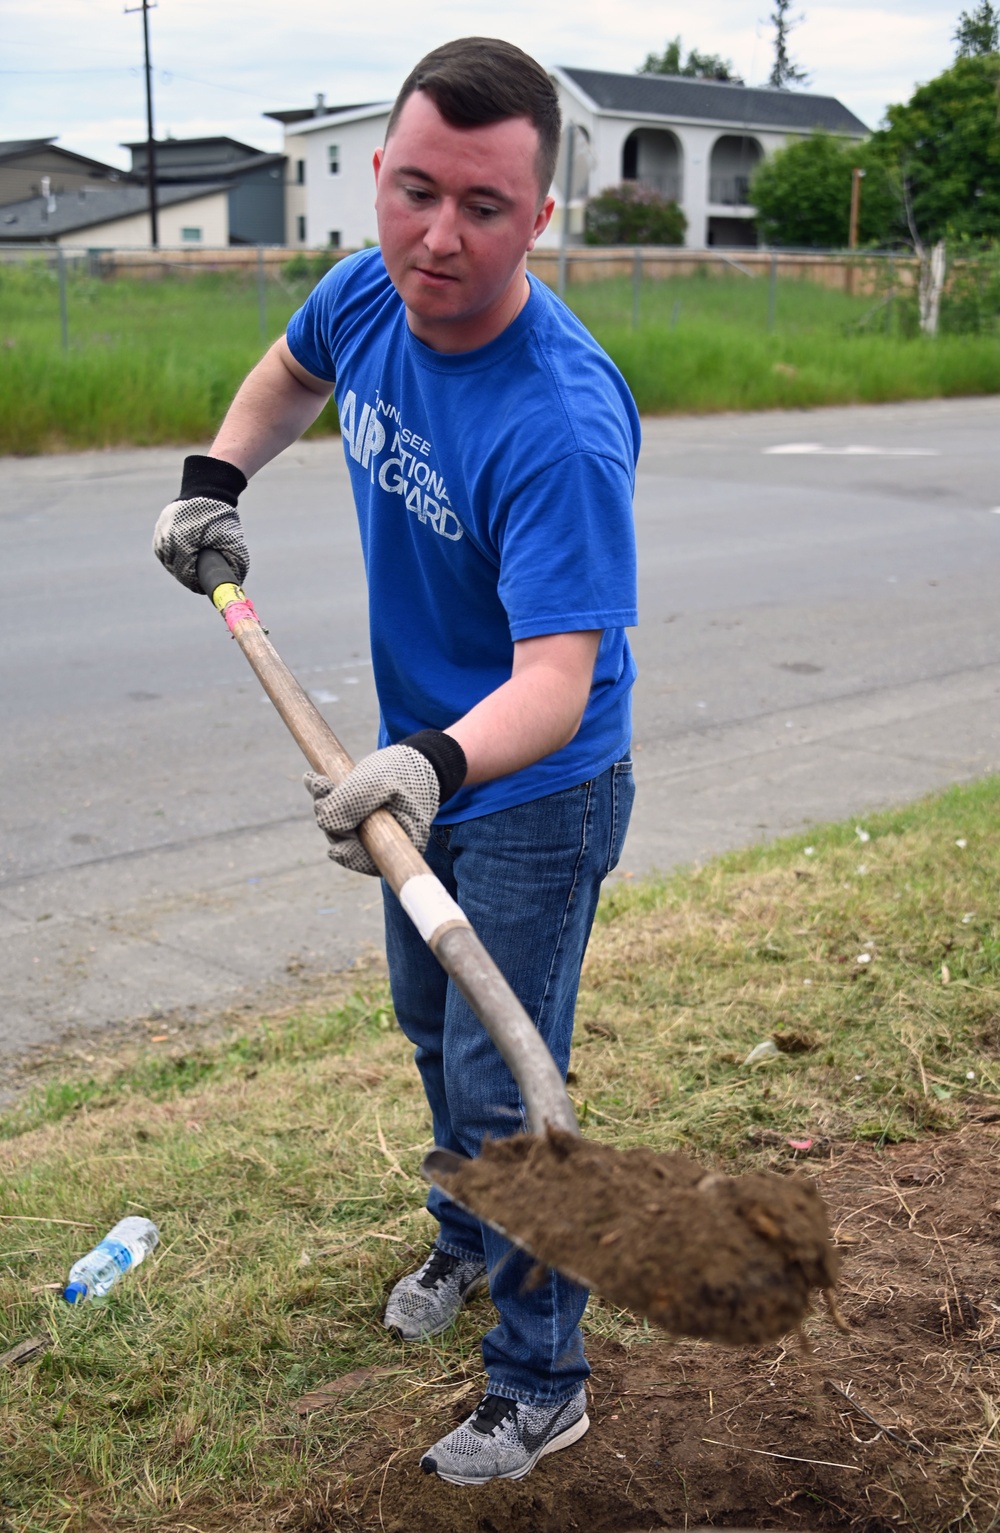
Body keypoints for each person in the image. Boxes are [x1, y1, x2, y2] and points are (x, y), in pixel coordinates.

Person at [154, 35, 639, 1486]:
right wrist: (213, 484)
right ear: (376, 175)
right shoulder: (367, 290)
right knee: (430, 1029)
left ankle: (544, 1378)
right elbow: (286, 375)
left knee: (506, 1083)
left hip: (531, 784)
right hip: (418, 764)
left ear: (538, 216)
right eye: (414, 191)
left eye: (483, 207)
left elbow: (561, 678)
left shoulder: (556, 416)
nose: (439, 236)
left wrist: (429, 760)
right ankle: (466, 1238)